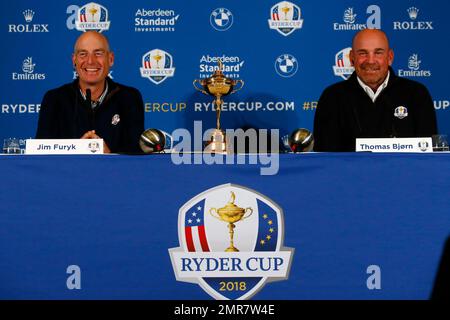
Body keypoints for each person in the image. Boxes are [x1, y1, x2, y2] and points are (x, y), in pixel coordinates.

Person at [313, 29, 437, 152]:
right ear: (352, 58)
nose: (370, 61)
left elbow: (428, 154)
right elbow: (325, 157)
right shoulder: (332, 97)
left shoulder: (417, 94)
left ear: (390, 57)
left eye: (378, 53)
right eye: (362, 53)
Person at [36, 31, 144, 153]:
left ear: (111, 59)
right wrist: (76, 151)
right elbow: (41, 155)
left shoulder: (129, 98)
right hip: (67, 172)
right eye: (83, 54)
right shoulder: (54, 99)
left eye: (98, 53)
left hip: (114, 172)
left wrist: (109, 154)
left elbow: (137, 157)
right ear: (74, 60)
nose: (91, 61)